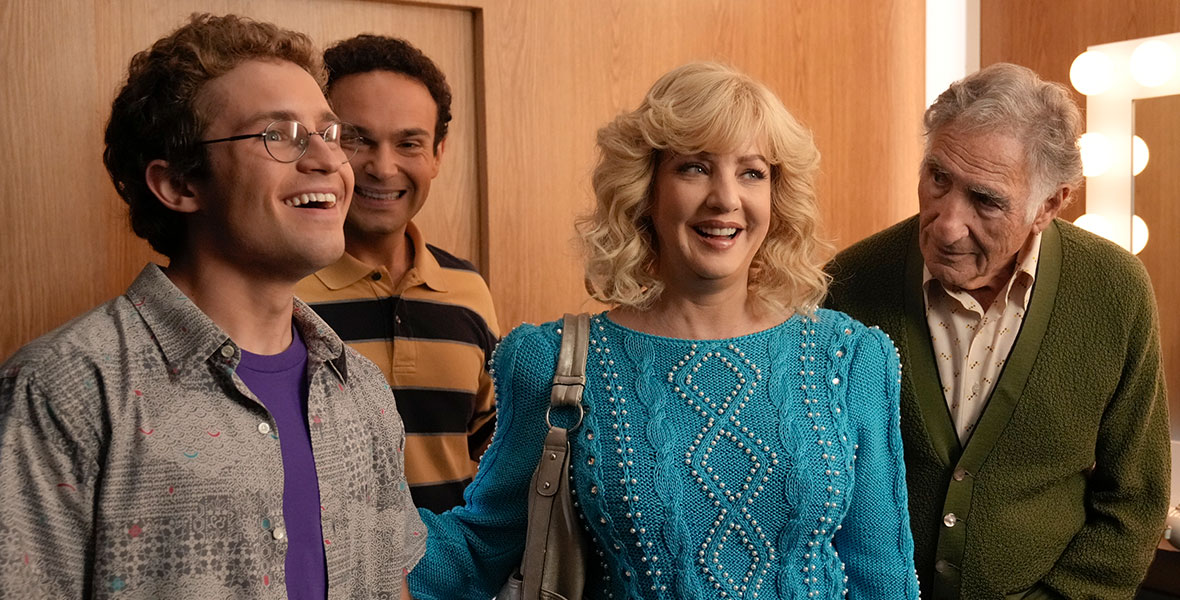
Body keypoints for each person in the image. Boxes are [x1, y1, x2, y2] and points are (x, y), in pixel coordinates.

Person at [408, 61, 920, 599]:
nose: (725, 198)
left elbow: (881, 575)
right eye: (695, 168)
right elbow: (477, 549)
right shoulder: (554, 361)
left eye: (752, 172)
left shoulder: (849, 359)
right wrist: (331, 523)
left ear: (776, 195)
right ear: (646, 188)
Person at [0, 14, 423, 598]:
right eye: (279, 135)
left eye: (328, 134)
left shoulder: (364, 392)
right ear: (179, 185)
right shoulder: (64, 390)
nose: (328, 161)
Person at [825, 62, 1170, 599]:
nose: (945, 223)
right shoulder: (849, 286)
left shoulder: (1114, 291)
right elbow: (815, 493)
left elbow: (1134, 499)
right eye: (938, 179)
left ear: (1051, 204)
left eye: (985, 200)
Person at [296, 35, 499, 514]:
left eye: (409, 143)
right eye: (356, 139)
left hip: (454, 580)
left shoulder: (469, 290)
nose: (382, 167)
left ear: (438, 154)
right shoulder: (277, 292)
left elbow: (493, 447)